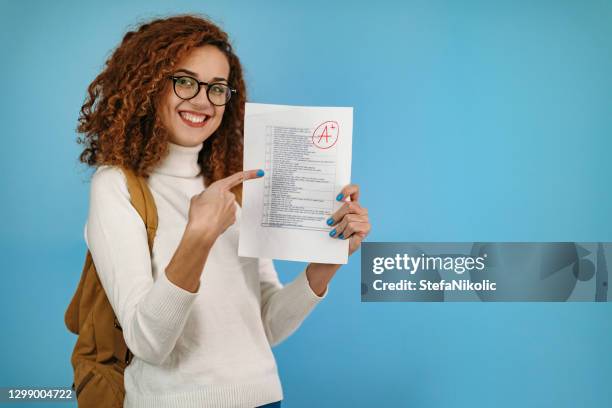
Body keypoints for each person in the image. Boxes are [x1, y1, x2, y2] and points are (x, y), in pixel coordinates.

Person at [76, 14, 371, 408]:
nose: (202, 100)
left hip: (265, 399)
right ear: (147, 85)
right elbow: (147, 343)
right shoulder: (117, 186)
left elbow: (266, 325)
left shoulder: (239, 186)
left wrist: (328, 261)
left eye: (217, 88)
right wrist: (198, 238)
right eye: (184, 81)